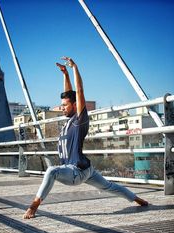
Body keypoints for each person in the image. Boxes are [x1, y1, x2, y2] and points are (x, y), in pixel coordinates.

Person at [23, 57, 148, 219]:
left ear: (75, 106)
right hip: (86, 169)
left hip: (76, 172)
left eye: (65, 106)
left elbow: (79, 92)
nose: (62, 108)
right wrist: (65, 74)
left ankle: (33, 206)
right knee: (109, 186)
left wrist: (75, 67)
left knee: (51, 171)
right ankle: (138, 200)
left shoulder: (79, 121)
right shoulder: (69, 121)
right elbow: (70, 95)